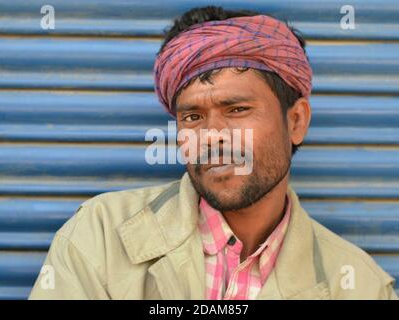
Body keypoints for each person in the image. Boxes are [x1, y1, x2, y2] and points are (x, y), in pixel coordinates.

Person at [29, 6, 397, 300]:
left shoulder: (360, 286)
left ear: (296, 121)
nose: (213, 138)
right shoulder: (100, 237)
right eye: (193, 116)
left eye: (237, 110)